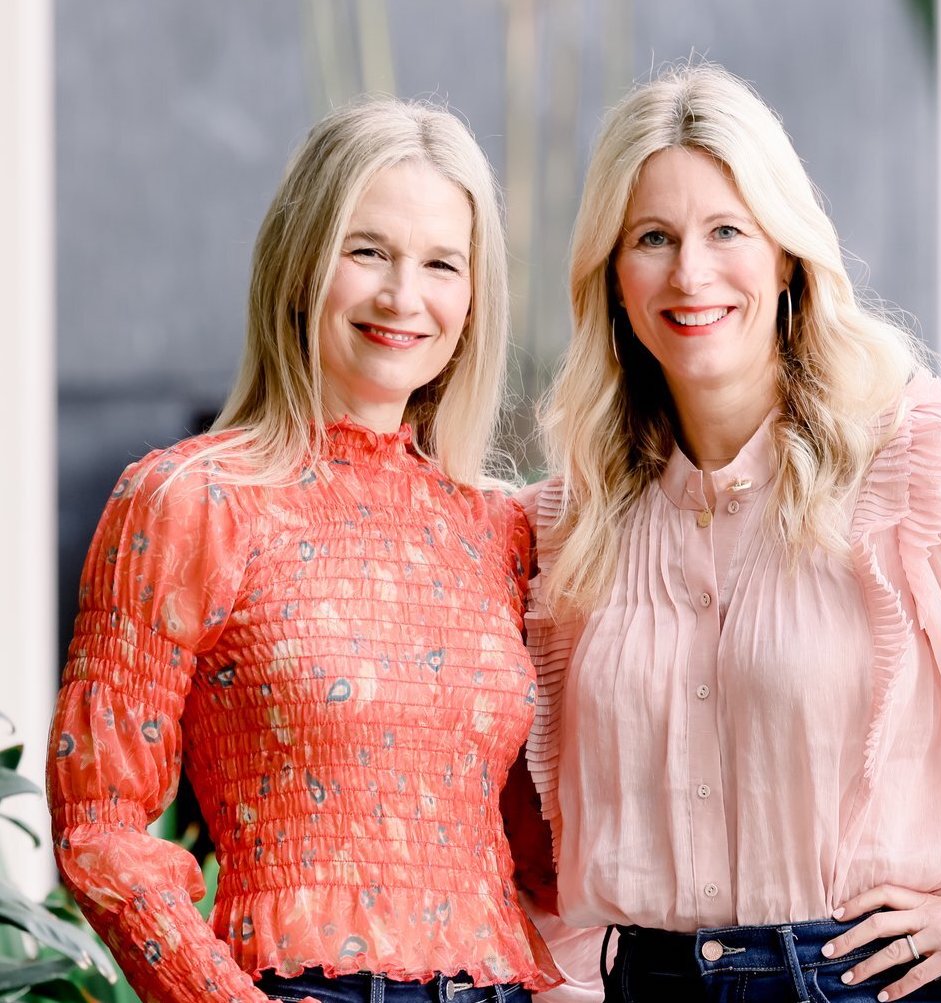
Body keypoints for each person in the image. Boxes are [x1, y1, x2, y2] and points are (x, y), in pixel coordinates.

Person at [522, 63, 941, 1003]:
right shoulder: (573, 528)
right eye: (653, 237)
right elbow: (549, 852)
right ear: (612, 276)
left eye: (727, 230)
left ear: (786, 258)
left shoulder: (921, 475)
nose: (690, 273)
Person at [46, 97, 562, 1003]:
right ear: (299, 266)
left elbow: (539, 837)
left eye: (441, 263)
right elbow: (101, 822)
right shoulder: (189, 500)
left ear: (474, 298)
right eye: (367, 251)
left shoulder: (501, 527)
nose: (403, 296)